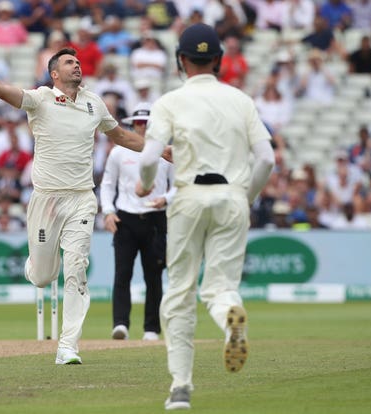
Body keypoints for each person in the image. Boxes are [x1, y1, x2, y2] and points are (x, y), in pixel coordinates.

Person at [0, 38, 147, 365]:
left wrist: (158, 150)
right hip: (47, 200)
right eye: (69, 63)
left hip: (82, 198)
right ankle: (35, 266)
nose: (77, 66)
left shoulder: (93, 103)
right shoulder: (40, 98)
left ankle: (68, 346)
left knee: (76, 268)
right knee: (43, 276)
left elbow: (122, 137)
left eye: (78, 62)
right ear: (54, 74)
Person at [134, 24, 275, 410]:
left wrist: (145, 185)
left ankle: (181, 387)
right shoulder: (241, 100)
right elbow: (266, 158)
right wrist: (245, 197)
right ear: (218, 60)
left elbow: (149, 157)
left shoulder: (170, 102)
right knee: (220, 286)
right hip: (231, 196)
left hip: (190, 197)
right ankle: (230, 313)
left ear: (181, 60)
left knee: (179, 293)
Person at [100, 102, 175, 342]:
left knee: (153, 275)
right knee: (122, 274)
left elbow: (180, 184)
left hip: (155, 218)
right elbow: (108, 184)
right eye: (139, 123)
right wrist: (108, 211)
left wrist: (165, 199)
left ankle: (151, 328)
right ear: (133, 124)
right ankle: (120, 324)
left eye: (147, 123)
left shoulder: (166, 152)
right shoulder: (119, 152)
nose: (142, 128)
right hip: (126, 218)